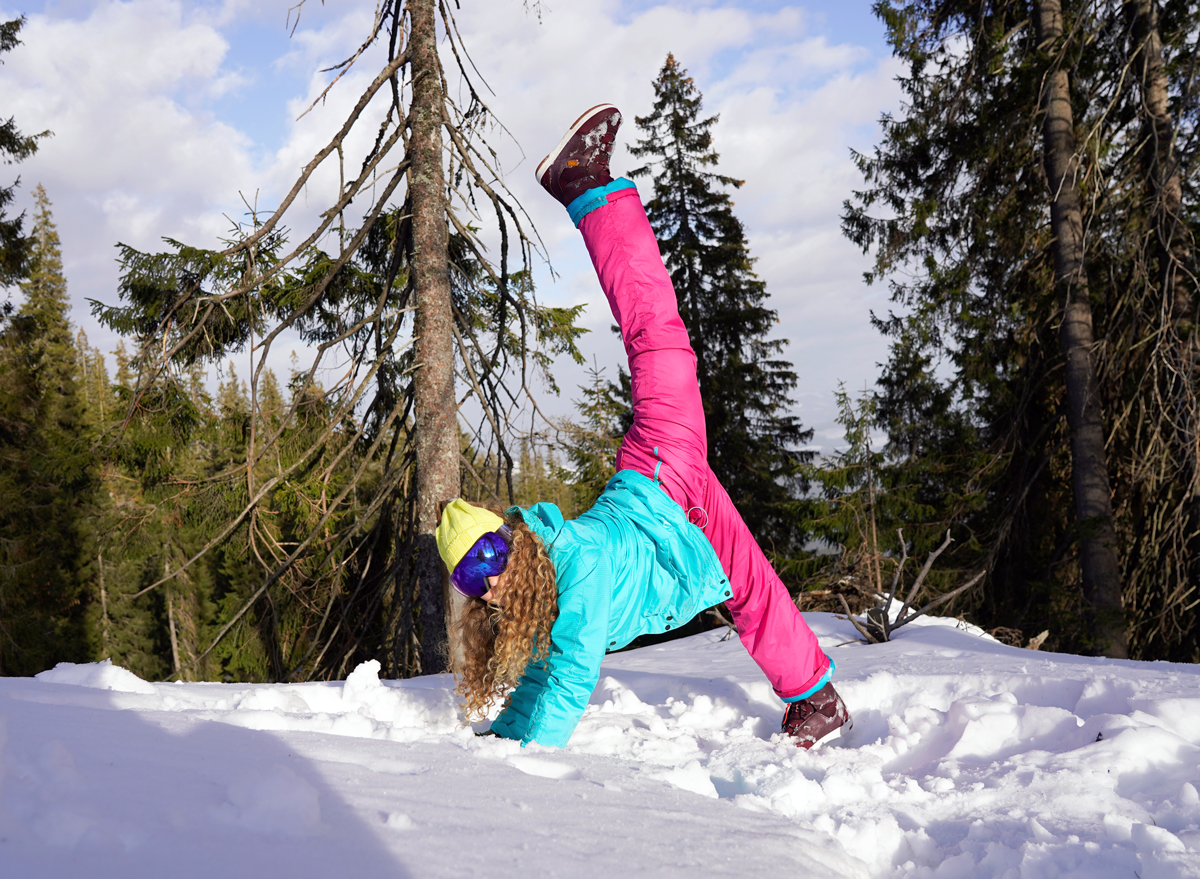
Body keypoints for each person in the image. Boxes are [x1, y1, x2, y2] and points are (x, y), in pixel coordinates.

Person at [436, 104, 851, 750]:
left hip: (664, 466)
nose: (486, 579)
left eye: (489, 553)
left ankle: (588, 189)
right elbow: (540, 682)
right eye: (469, 576)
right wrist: (501, 741)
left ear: (513, 538)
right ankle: (814, 694)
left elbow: (571, 682)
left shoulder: (574, 568)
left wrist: (527, 764)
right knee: (742, 571)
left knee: (655, 337)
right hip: (656, 489)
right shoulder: (541, 594)